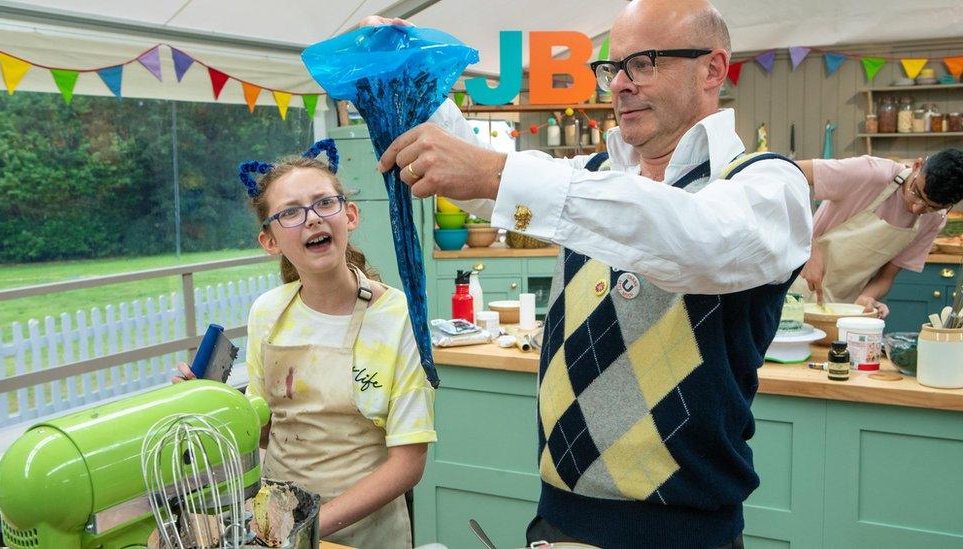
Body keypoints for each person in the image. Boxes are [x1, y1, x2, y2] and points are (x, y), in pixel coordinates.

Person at [369, 1, 812, 547]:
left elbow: (694, 239)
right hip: (558, 518)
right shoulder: (594, 175)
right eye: (612, 68)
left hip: (683, 532)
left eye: (643, 63)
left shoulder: (766, 184)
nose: (620, 85)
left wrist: (496, 173)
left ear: (713, 69)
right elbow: (486, 171)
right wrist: (413, 70)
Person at [174, 140, 435, 549]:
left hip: (366, 533)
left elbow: (408, 462)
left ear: (349, 215)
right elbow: (268, 433)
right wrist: (213, 405)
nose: (312, 219)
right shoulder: (268, 312)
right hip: (276, 521)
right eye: (291, 212)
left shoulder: (397, 315)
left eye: (324, 203)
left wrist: (308, 527)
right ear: (271, 241)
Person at [795, 149, 963, 317]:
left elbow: (885, 278)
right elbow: (786, 171)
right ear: (917, 166)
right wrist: (808, 243)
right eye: (916, 193)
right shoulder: (872, 173)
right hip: (790, 287)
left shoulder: (934, 220)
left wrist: (867, 298)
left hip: (842, 309)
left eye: (932, 207)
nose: (916, 208)